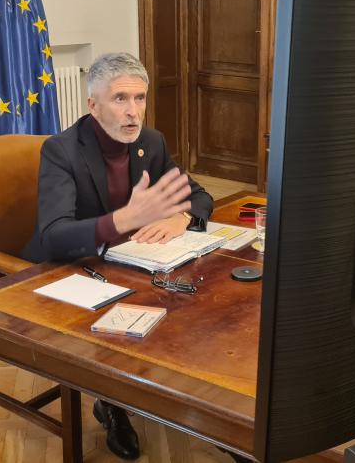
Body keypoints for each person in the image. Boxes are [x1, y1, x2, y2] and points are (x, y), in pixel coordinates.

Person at [21, 52, 213, 460]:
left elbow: (200, 196)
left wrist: (181, 215)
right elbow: (53, 236)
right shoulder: (61, 151)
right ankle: (113, 404)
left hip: (132, 264)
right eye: (120, 99)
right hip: (73, 269)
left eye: (140, 98)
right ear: (92, 105)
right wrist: (121, 219)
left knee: (192, 300)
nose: (133, 112)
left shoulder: (151, 142)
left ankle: (176, 397)